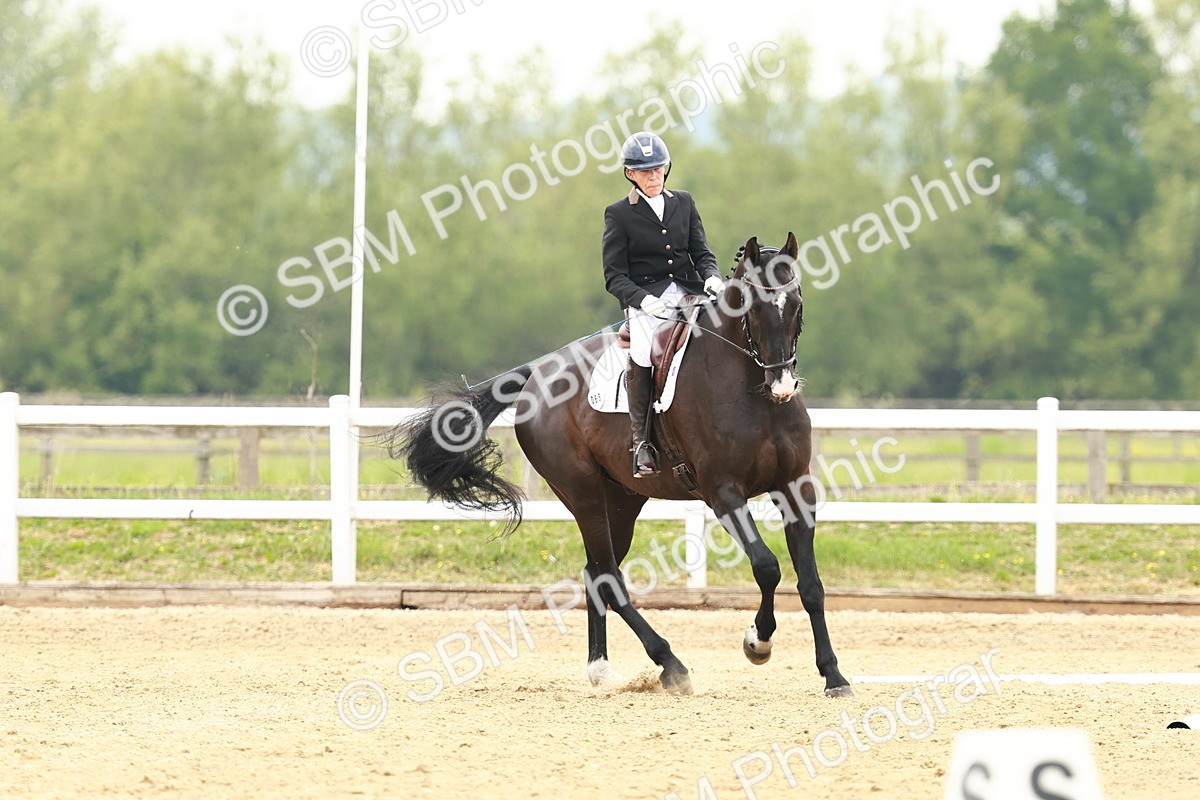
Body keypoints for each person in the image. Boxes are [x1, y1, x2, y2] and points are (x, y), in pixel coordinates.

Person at [601, 131, 725, 477]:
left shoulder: (683, 202)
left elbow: (701, 252)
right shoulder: (619, 214)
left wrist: (712, 275)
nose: (653, 176)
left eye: (658, 169)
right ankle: (641, 441)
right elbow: (614, 275)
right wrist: (643, 301)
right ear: (631, 174)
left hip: (689, 293)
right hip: (646, 302)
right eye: (645, 171)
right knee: (642, 352)